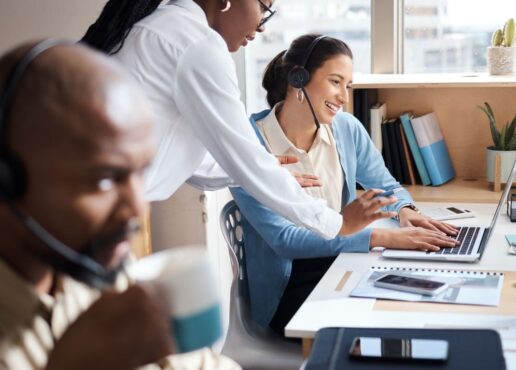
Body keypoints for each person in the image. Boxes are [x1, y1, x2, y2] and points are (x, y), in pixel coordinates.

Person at [0, 41, 238, 370]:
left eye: (142, 172)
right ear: (6, 179)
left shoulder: (94, 262)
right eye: (105, 180)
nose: (137, 207)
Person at [80, 0, 386, 240]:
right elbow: (245, 156)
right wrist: (339, 222)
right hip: (90, 211)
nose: (262, 27)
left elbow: (187, 160)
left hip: (89, 202)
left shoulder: (166, 27)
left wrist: (259, 171)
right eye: (263, 8)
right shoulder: (197, 45)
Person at [229, 34, 460, 334]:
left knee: (422, 301)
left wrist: (405, 209)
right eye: (335, 82)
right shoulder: (248, 143)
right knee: (377, 326)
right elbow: (285, 240)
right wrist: (378, 238)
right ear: (298, 78)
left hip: (344, 264)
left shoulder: (346, 129)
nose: (344, 98)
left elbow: (387, 186)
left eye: (347, 86)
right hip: (289, 287)